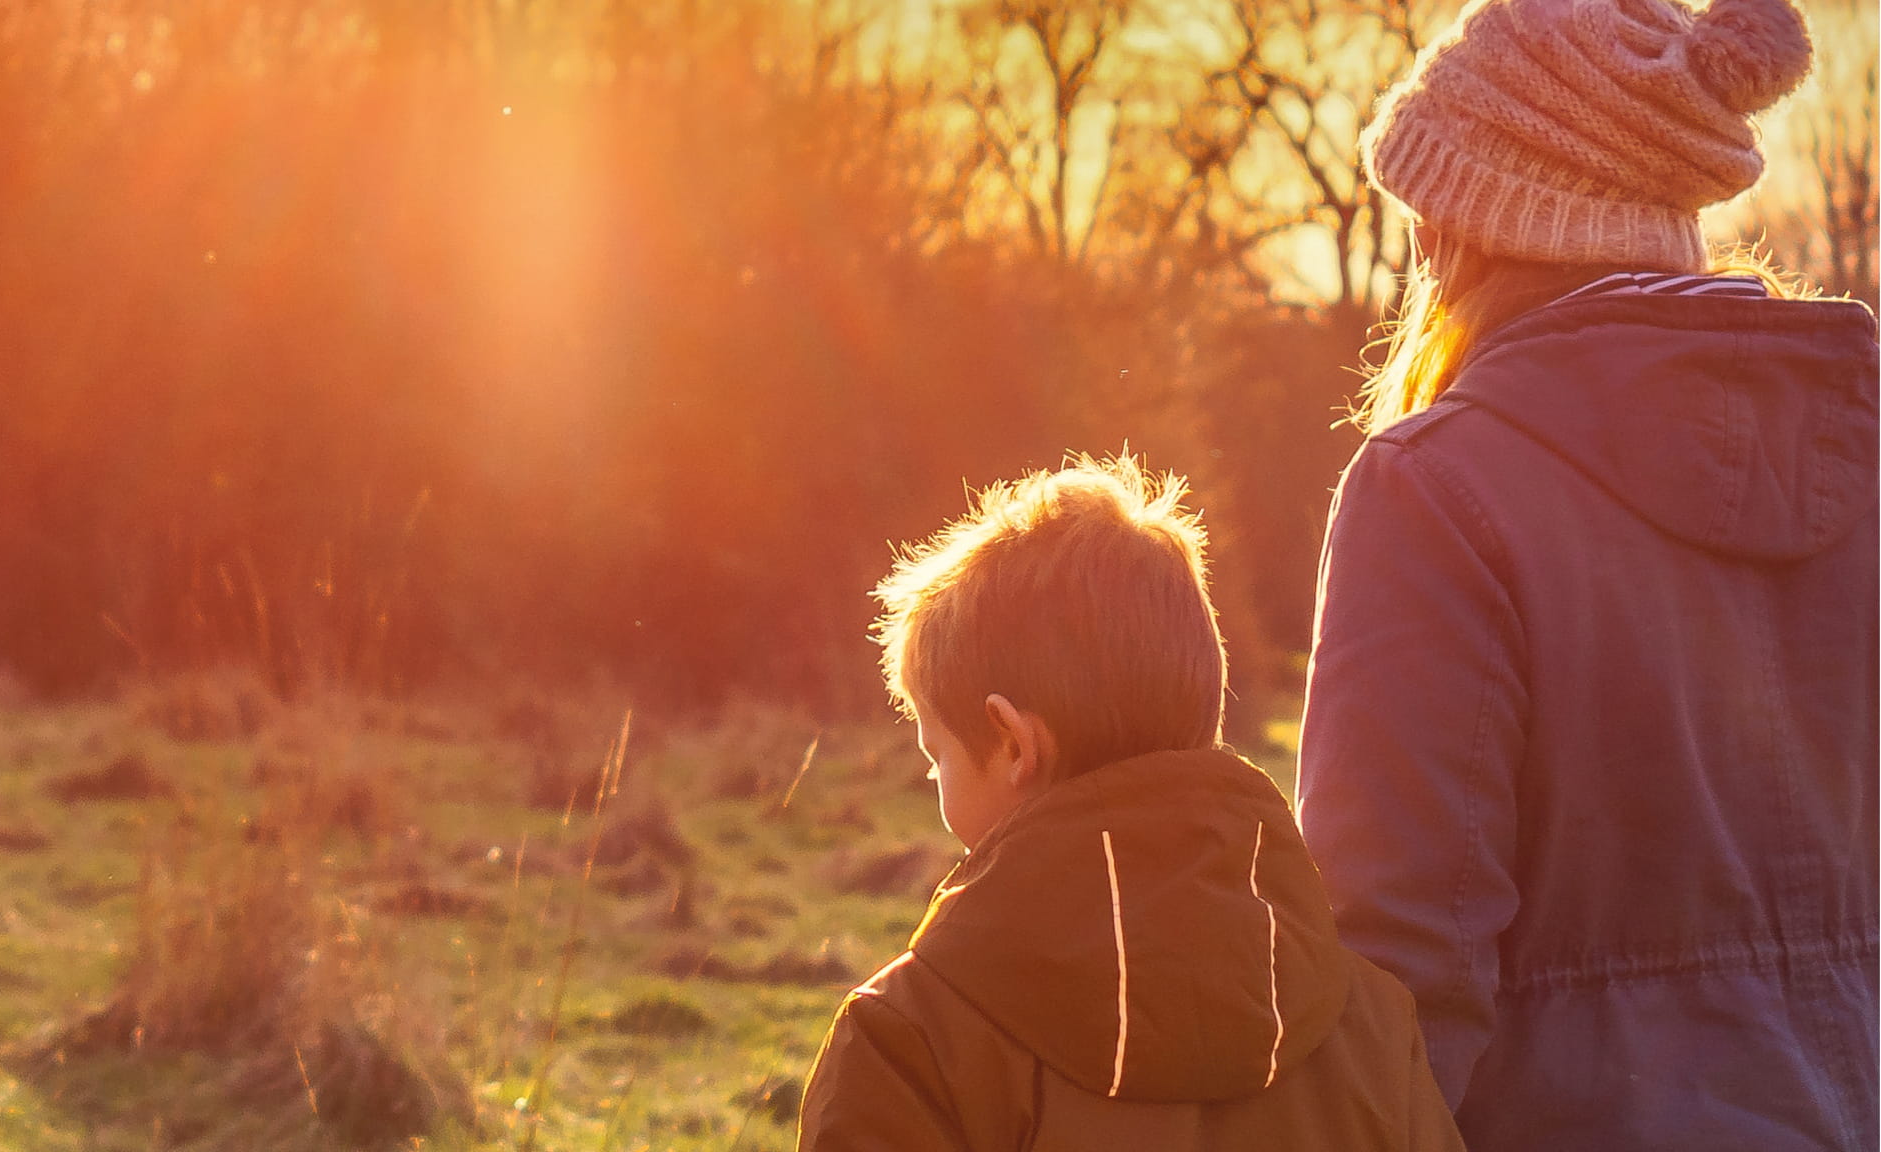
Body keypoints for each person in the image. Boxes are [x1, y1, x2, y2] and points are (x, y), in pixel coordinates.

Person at [1293, 0, 1877, 1146]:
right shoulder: (1864, 461)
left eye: (1428, 216)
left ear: (1482, 222)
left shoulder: (1432, 489)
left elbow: (1393, 966)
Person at [797, 457, 1460, 1151]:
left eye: (938, 760)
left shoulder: (908, 1046)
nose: (937, 789)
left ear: (1013, 743)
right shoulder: (1375, 1028)